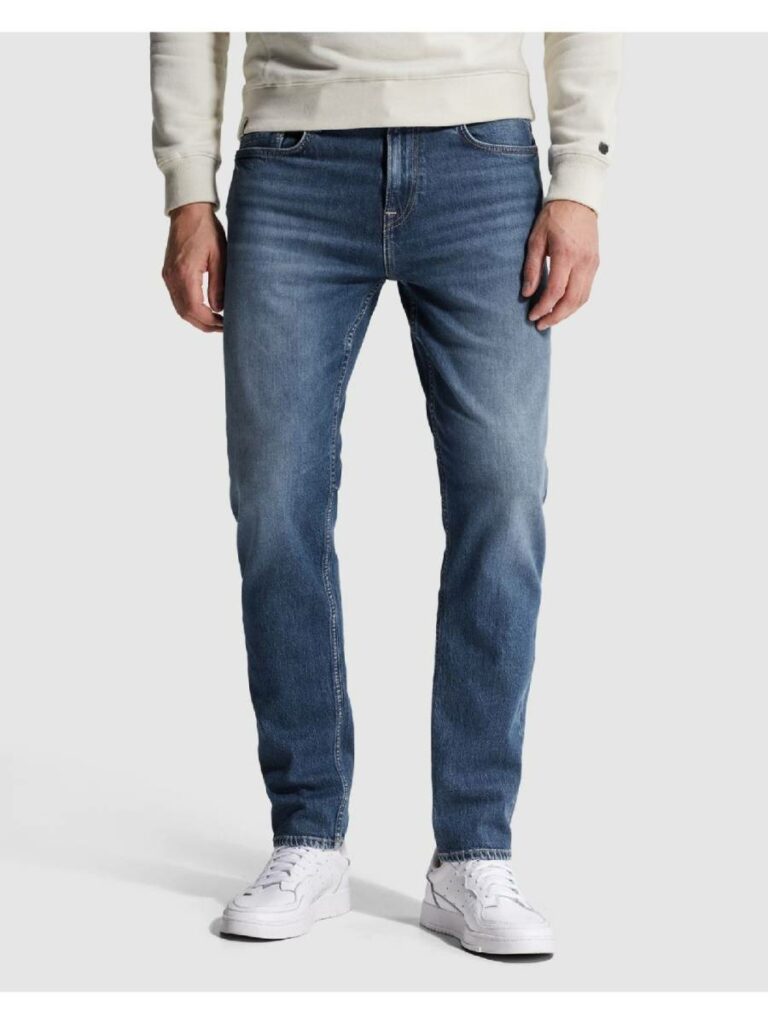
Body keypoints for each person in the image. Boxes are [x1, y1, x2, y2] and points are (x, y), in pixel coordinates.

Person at [150, 31, 621, 956]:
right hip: (292, 165)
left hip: (484, 158)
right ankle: (308, 837)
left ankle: (473, 853)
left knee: (503, 498)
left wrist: (580, 180)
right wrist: (187, 189)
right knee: (276, 502)